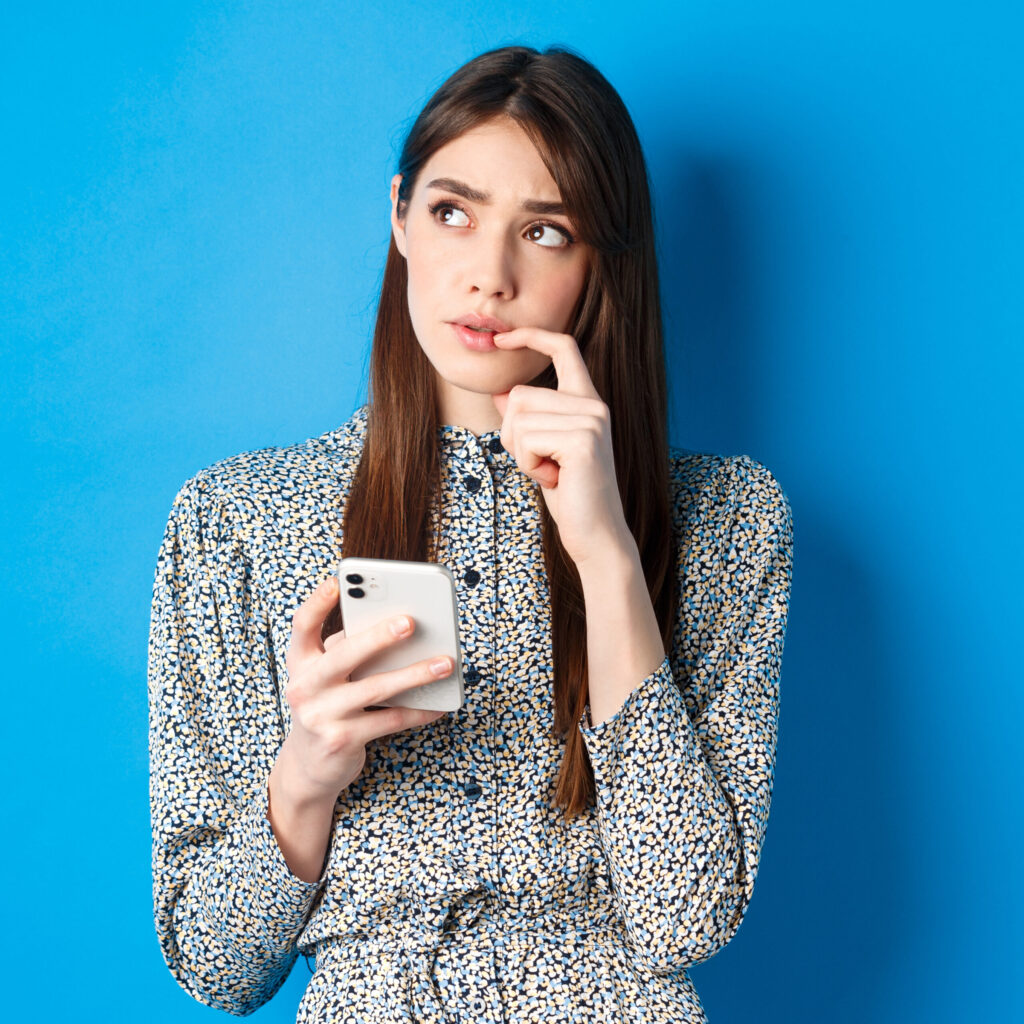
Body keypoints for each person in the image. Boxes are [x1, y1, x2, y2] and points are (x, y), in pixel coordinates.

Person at [148, 43, 794, 1024]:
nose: (488, 276)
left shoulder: (723, 519)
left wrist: (608, 553)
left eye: (545, 231)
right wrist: (306, 774)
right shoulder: (236, 521)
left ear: (596, 264)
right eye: (453, 212)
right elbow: (215, 968)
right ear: (399, 215)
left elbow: (684, 919)